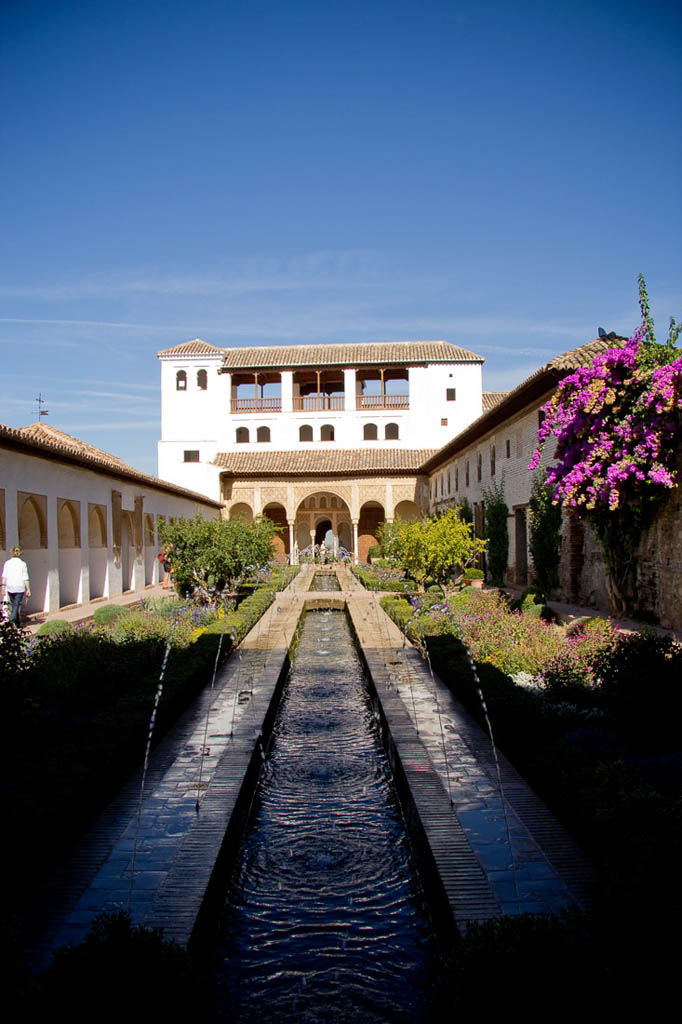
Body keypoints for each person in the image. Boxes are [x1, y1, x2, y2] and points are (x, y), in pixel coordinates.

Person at [1, 546, 31, 626]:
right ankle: (10, 621)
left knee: (14, 605)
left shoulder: (7, 563)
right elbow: (25, 577)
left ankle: (17, 623)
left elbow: (4, 576)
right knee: (16, 605)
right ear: (20, 554)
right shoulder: (23, 564)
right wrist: (28, 589)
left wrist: (3, 587)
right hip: (19, 587)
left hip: (10, 587)